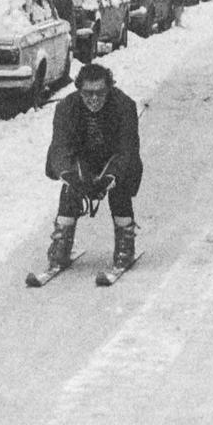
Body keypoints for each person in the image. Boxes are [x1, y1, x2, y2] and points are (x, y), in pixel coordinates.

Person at [43, 63, 143, 270]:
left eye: (100, 92)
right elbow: (60, 147)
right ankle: (61, 242)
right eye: (88, 93)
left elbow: (127, 149)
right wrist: (70, 175)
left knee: (120, 189)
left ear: (109, 90)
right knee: (71, 189)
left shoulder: (124, 106)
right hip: (84, 160)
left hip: (114, 160)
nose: (94, 99)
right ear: (79, 90)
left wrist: (110, 178)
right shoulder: (66, 108)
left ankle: (125, 242)